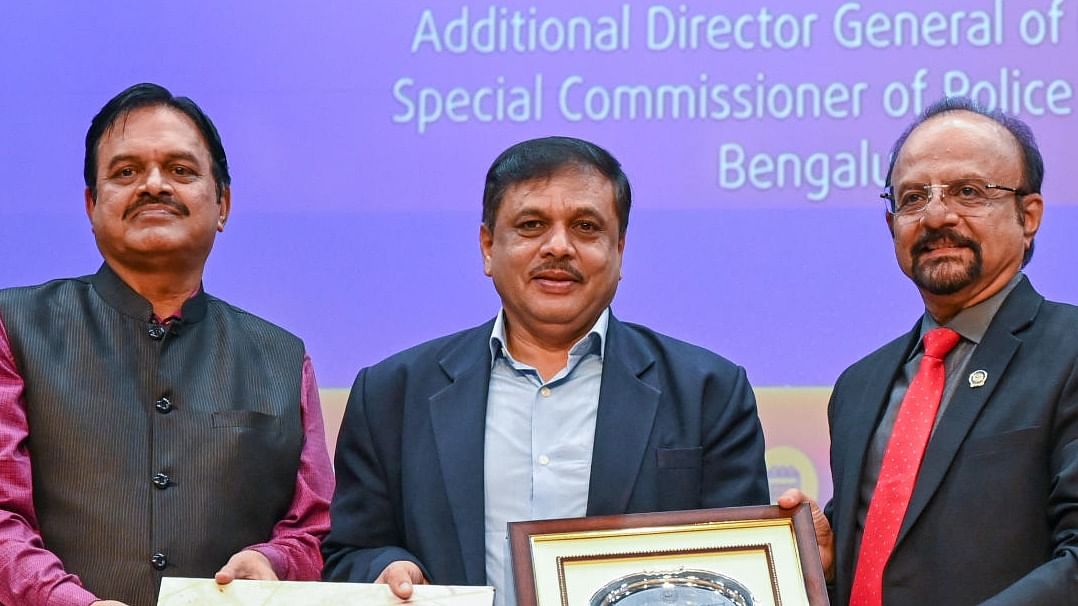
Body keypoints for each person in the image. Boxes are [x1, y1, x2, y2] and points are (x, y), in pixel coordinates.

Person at [322, 136, 769, 605]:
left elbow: (737, 569)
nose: (559, 246)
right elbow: (350, 551)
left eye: (586, 227)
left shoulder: (709, 391)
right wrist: (385, 569)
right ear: (488, 246)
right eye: (532, 225)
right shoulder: (392, 393)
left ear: (619, 250)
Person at [0, 83, 334, 606]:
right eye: (126, 172)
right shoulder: (14, 326)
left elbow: (313, 531)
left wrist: (274, 562)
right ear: (92, 204)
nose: (154, 185)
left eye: (181, 170)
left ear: (222, 203)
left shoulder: (283, 358)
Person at [779, 97, 1078, 604]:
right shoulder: (859, 386)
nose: (937, 216)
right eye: (913, 198)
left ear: (1028, 216)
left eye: (968, 192)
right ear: (891, 224)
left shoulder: (1068, 350)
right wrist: (828, 565)